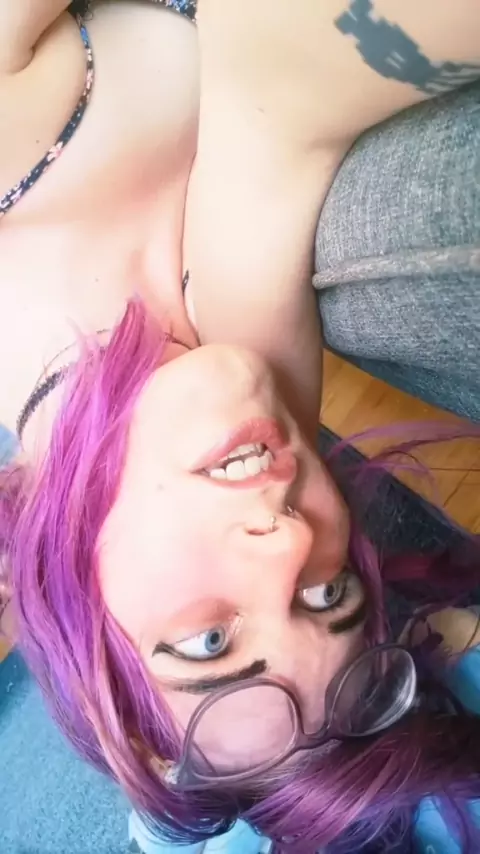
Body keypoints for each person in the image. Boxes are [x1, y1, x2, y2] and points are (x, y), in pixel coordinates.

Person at [1, 1, 480, 852]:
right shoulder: (247, 388)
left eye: (211, 640)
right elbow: (280, 120)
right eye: (329, 595)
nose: (291, 541)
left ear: (85, 632)